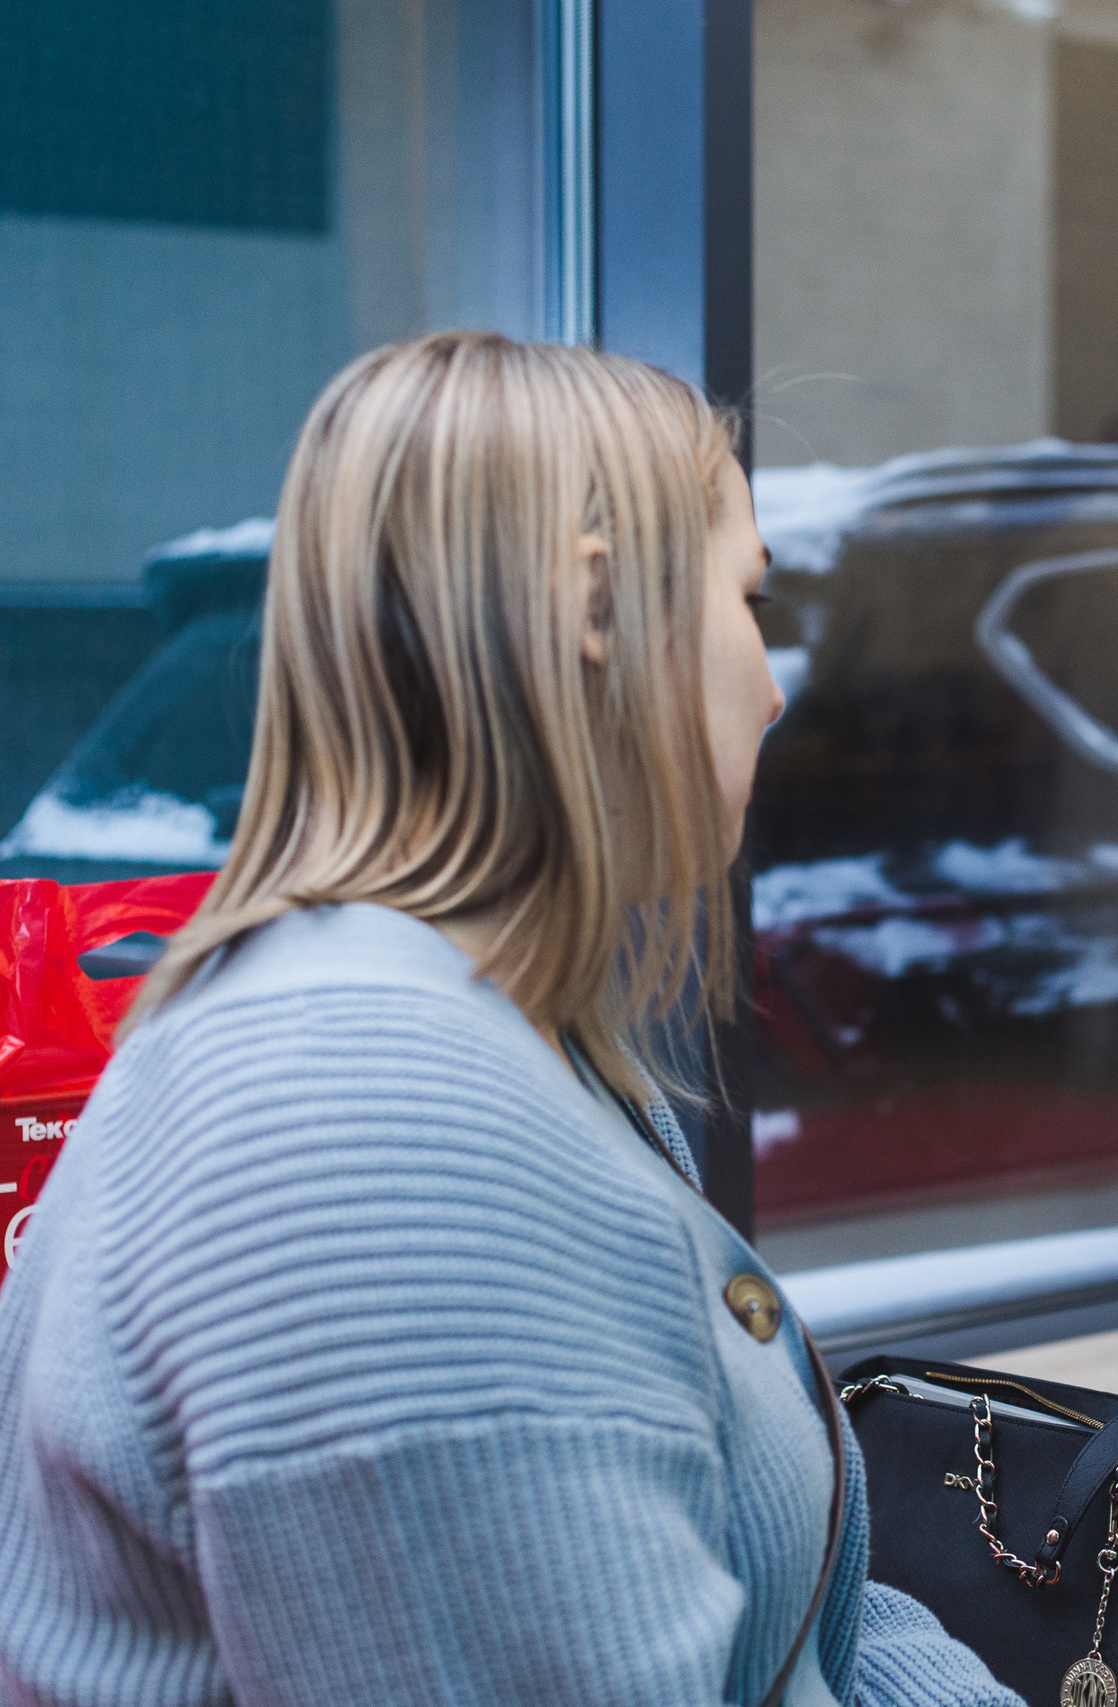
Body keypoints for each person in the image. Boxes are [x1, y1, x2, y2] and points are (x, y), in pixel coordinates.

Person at [0, 333, 1020, 1707]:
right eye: (746, 600)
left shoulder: (511, 1046)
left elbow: (798, 1616)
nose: (775, 687)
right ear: (597, 604)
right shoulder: (382, 1134)